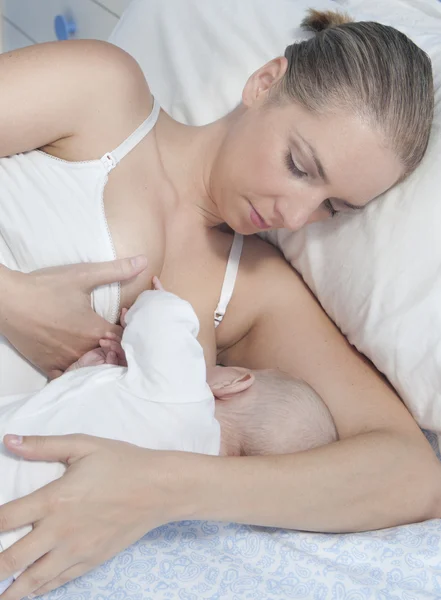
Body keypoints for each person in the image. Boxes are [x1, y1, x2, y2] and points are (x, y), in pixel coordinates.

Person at [0, 8, 439, 599]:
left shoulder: (254, 290)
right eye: (299, 166)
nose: (295, 214)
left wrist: (163, 488)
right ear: (264, 83)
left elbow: (410, 475)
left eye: (333, 208)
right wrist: (13, 299)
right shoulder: (103, 94)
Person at [0, 278, 337, 593]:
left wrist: (160, 300)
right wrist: (96, 376)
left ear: (235, 382)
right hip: (22, 542)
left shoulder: (186, 392)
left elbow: (164, 322)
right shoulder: (181, 492)